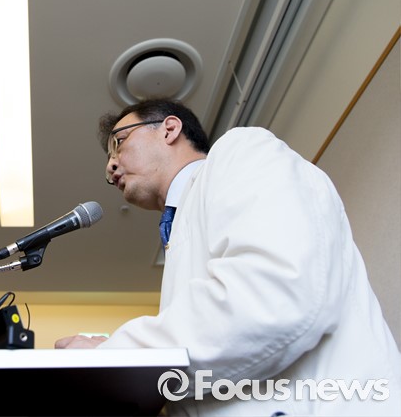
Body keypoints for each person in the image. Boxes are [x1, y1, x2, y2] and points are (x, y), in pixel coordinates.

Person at [54, 98, 401, 416]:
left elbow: (273, 297)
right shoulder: (180, 230)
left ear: (169, 129)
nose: (111, 166)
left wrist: (114, 356)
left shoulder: (241, 150)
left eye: (119, 143)